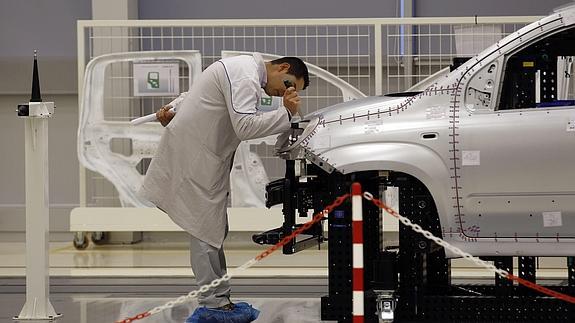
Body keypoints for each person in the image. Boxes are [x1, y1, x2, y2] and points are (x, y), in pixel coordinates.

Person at [139, 53, 309, 322]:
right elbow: (244, 126)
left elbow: (198, 99)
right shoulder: (244, 74)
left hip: (204, 155)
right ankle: (213, 304)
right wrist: (286, 112)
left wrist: (175, 112)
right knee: (204, 230)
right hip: (195, 157)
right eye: (289, 85)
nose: (284, 92)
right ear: (283, 67)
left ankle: (220, 299)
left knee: (213, 228)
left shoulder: (242, 72)